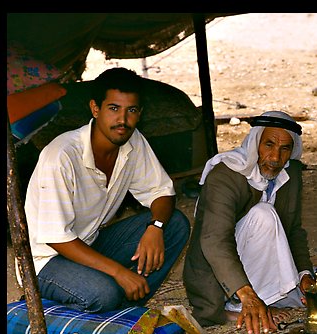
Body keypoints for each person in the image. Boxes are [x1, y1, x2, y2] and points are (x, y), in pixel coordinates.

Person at [20, 67, 190, 313]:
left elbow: (161, 192)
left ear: (139, 113)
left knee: (174, 224)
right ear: (95, 109)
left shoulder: (132, 140)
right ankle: (110, 302)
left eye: (131, 110)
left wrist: (156, 227)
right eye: (113, 109)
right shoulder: (61, 156)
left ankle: (126, 305)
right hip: (46, 262)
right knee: (104, 292)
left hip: (90, 243)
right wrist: (119, 272)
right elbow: (57, 238)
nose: (122, 120)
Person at [183, 110, 317, 334]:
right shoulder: (226, 174)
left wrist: (303, 275)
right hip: (221, 278)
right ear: (255, 142)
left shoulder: (291, 174)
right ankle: (241, 305)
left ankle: (268, 300)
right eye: (268, 145)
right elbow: (214, 241)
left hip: (262, 268)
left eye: (284, 149)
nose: (275, 157)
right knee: (263, 214)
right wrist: (248, 295)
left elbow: (294, 231)